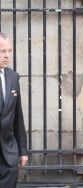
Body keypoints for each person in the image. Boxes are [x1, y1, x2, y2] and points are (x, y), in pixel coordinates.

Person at [0, 32, 28, 187]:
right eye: (2, 51)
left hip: (9, 154)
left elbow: (18, 116)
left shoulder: (13, 77)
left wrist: (22, 151)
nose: (7, 56)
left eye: (9, 51)